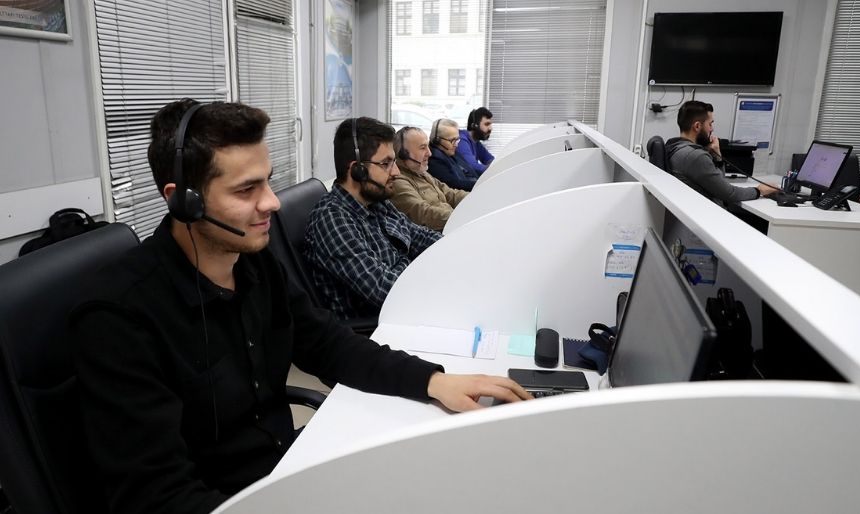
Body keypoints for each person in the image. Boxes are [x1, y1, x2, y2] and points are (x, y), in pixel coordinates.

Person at [72, 100, 531, 514]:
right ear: (183, 201)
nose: (271, 202)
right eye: (246, 190)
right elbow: (156, 496)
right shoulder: (120, 318)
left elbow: (328, 344)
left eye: (268, 181)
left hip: (287, 471)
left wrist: (433, 380)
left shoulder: (253, 264)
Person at [304, 117, 442, 320]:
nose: (396, 172)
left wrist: (455, 248)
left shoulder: (376, 201)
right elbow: (387, 291)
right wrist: (418, 266)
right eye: (386, 163)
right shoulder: (332, 219)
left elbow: (418, 235)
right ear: (357, 170)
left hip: (408, 305)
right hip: (377, 326)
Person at [665, 101, 776, 208]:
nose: (712, 129)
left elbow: (720, 184)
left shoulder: (674, 147)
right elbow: (729, 193)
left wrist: (717, 155)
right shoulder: (695, 156)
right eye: (710, 124)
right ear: (697, 126)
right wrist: (759, 190)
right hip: (708, 215)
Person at [391, 126, 469, 232]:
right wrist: (461, 217)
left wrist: (476, 198)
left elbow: (451, 194)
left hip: (453, 225)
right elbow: (423, 214)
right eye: (423, 148)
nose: (429, 153)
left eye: (428, 146)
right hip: (441, 233)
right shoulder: (398, 181)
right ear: (403, 154)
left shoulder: (421, 173)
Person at [427, 118, 480, 192]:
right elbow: (454, 184)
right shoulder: (434, 160)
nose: (456, 144)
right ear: (437, 140)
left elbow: (471, 170)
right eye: (452, 140)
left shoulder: (450, 152)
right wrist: (481, 184)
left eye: (457, 139)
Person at [457, 107, 495, 174]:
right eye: (486, 124)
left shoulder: (476, 142)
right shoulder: (462, 141)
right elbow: (473, 167)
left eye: (490, 124)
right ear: (474, 125)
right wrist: (494, 169)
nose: (490, 128)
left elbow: (490, 159)